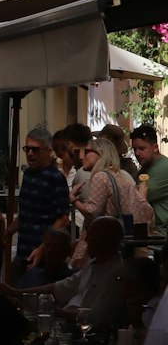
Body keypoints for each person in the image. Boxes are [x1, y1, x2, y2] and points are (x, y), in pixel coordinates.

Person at [30, 215, 128, 331]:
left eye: (91, 235)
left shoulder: (116, 274)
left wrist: (50, 310)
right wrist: (17, 293)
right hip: (68, 326)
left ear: (104, 240)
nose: (86, 239)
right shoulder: (91, 265)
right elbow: (62, 287)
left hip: (85, 334)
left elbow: (95, 318)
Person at [72, 135, 154, 259]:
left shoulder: (100, 177)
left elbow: (93, 213)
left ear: (100, 154)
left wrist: (74, 200)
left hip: (104, 247)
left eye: (87, 152)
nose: (81, 157)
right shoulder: (119, 176)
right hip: (121, 246)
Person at [14, 125, 71, 274]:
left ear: (48, 151)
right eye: (27, 149)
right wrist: (6, 232)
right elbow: (26, 213)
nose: (30, 153)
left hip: (45, 257)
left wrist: (42, 248)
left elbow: (63, 219)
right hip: (23, 251)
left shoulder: (55, 178)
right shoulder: (27, 174)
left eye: (35, 149)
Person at [132, 123, 168, 230]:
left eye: (142, 148)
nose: (137, 153)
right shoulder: (146, 168)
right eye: (134, 149)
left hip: (162, 233)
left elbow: (135, 199)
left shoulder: (164, 167)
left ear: (155, 148)